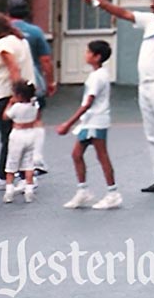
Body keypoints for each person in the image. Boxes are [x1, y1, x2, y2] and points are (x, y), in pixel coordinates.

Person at [83, 0, 154, 196]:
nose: (152, 5)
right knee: (152, 132)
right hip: (145, 84)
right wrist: (97, 1)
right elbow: (123, 13)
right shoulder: (150, 21)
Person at [57, 40, 119, 209]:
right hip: (89, 122)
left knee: (101, 155)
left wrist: (68, 123)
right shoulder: (98, 74)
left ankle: (113, 193)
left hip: (96, 121)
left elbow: (88, 103)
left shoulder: (97, 77)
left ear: (97, 57)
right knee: (76, 155)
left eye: (88, 52)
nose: (85, 54)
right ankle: (83, 191)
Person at [5, 0, 54, 173]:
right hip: (34, 81)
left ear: (8, 12)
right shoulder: (35, 32)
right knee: (36, 119)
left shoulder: (4, 31)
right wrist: (50, 82)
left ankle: (14, 165)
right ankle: (36, 159)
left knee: (14, 124)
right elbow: (46, 60)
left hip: (8, 84)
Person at [0, 11, 34, 191]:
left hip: (9, 94)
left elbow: (13, 69)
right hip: (25, 94)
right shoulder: (20, 40)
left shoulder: (3, 44)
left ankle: (6, 176)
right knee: (17, 136)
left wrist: (15, 97)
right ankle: (20, 175)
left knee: (9, 136)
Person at [1, 80, 41, 204]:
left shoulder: (17, 107)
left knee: (12, 164)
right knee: (28, 163)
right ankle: (29, 190)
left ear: (18, 95)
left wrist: (9, 103)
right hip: (31, 134)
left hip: (17, 135)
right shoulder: (34, 105)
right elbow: (38, 117)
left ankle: (9, 191)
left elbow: (5, 116)